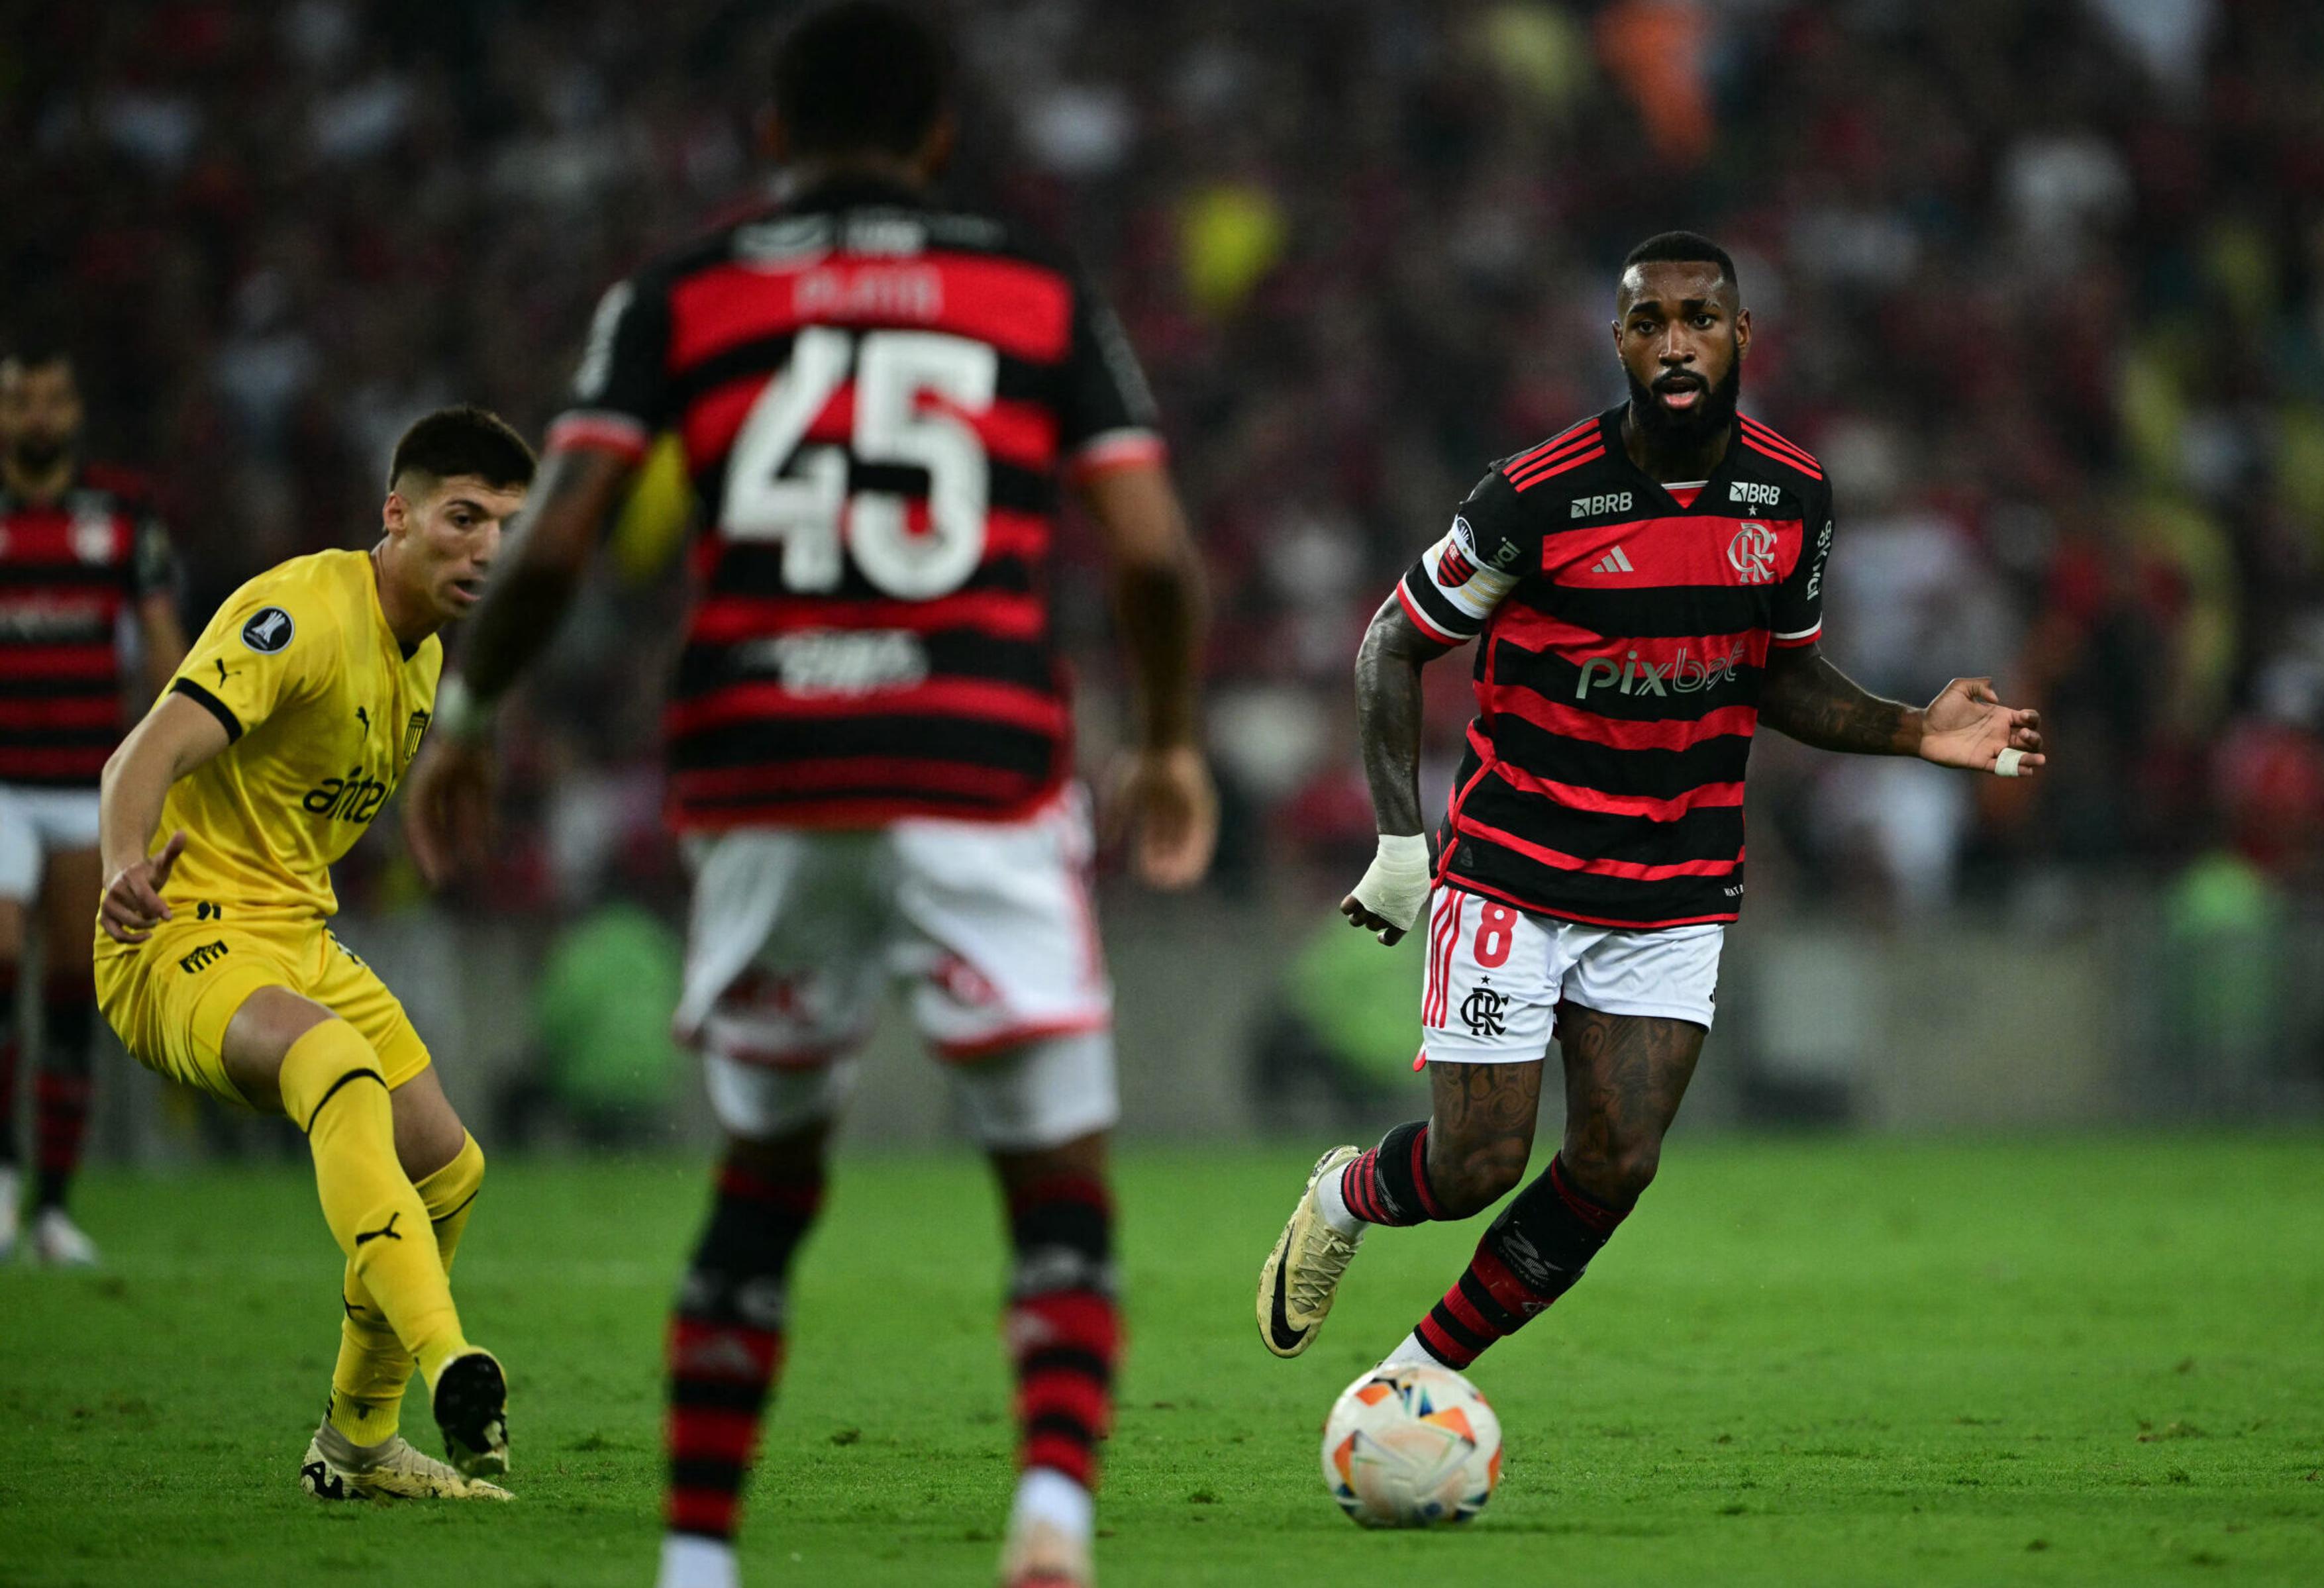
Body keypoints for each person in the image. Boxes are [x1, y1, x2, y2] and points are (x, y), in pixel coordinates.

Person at [400, 8, 1213, 1586]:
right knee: (1052, 1174)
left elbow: (556, 539)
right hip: (976, 766)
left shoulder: (684, 290)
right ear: (937, 141)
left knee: (764, 1179)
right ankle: (1050, 1515)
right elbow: (1157, 553)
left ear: (770, 134)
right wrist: (1169, 740)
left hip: (766, 768)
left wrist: (473, 714)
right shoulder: (1033, 285)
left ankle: (697, 1558)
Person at [1256, 232, 2046, 1379]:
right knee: (1478, 1162)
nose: (1677, 340)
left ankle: (1417, 1378)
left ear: (1741, 337)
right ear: (1619, 340)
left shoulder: (1792, 496)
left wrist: (1912, 729)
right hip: (1515, 866)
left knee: (1618, 1162)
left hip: (1674, 882)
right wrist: (1397, 838)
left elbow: (1775, 670)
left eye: (1701, 318)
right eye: (1650, 320)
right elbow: (1392, 639)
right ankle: (1345, 1193)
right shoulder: (1532, 497)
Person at [93, 406, 530, 1501]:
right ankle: (451, 1360)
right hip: (178, 930)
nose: (485, 548)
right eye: (463, 517)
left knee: (449, 1165)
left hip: (297, 936)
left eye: (506, 530)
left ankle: (355, 1443)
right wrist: (118, 865)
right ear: (398, 514)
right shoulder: (302, 612)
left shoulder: (422, 658)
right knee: (336, 1067)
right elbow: (140, 754)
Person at [0, 344, 187, 1265]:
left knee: (74, 988)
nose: (37, 415)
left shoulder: (120, 516)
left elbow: (162, 645)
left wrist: (183, 753)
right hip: (0, 784)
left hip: (83, 785)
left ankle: (53, 1210)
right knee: (0, 958)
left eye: (51, 398)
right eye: (20, 399)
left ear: (72, 412)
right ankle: (2, 1177)